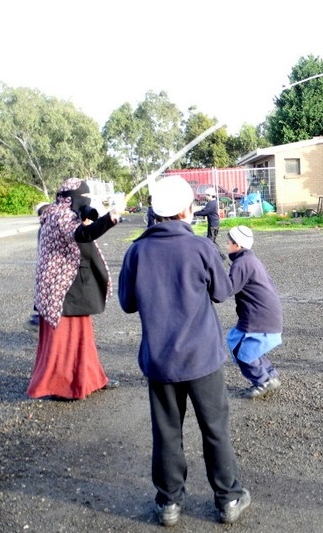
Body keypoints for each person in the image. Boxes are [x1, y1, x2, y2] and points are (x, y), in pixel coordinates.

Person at [118, 175, 250, 526]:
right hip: (202, 359)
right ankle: (229, 499)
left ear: (155, 212)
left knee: (166, 433)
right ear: (186, 210)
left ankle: (169, 504)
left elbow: (127, 303)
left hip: (160, 361)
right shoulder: (201, 248)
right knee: (215, 429)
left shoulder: (137, 251)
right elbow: (222, 292)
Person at [27, 178, 123, 400]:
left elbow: (83, 227)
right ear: (70, 199)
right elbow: (82, 234)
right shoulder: (61, 215)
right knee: (65, 339)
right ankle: (62, 386)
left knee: (81, 338)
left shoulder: (58, 213)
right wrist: (112, 217)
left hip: (63, 286)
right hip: (62, 288)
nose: (86, 203)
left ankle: (91, 379)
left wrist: (93, 215)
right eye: (85, 199)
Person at [225, 225, 283, 399]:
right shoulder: (249, 260)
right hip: (265, 315)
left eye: (229, 242)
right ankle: (270, 375)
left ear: (238, 245)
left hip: (258, 318)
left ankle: (262, 381)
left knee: (242, 352)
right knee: (249, 348)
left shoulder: (242, 263)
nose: (227, 245)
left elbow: (228, 289)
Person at [24, 202, 51, 335]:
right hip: (50, 270)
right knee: (49, 300)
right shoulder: (47, 228)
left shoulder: (44, 228)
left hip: (46, 270)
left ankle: (37, 320)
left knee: (46, 300)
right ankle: (37, 321)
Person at [193, 187, 226, 259]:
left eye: (206, 195)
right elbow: (205, 211)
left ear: (210, 195)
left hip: (213, 225)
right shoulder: (213, 203)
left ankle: (220, 256)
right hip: (214, 224)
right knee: (211, 241)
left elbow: (204, 212)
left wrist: (195, 213)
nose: (205, 196)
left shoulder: (211, 204)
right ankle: (219, 255)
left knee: (210, 241)